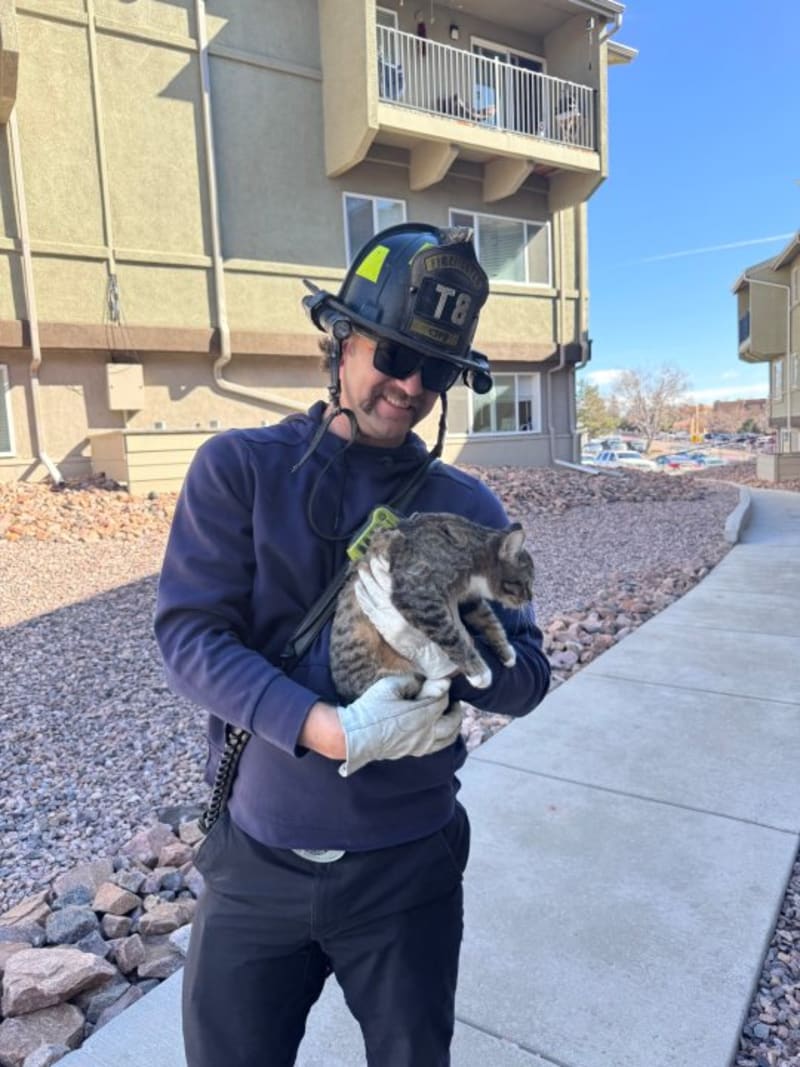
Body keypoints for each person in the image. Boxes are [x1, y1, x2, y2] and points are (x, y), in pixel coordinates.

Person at [154, 222, 551, 1067]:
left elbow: (529, 677)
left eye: (436, 370)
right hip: (258, 862)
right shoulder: (239, 470)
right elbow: (190, 634)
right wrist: (328, 729)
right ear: (339, 341)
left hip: (407, 871)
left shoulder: (469, 506)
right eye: (395, 355)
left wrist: (452, 653)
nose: (411, 386)